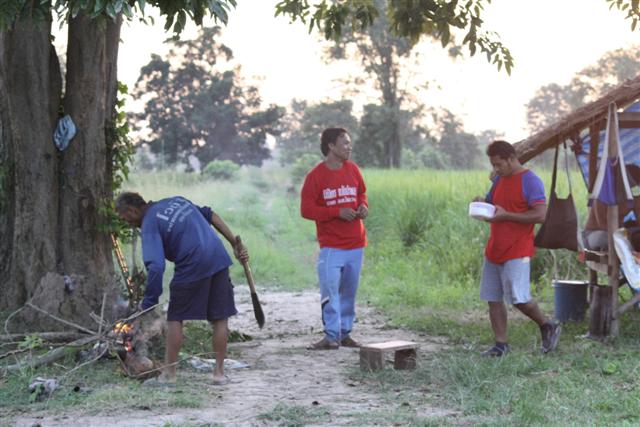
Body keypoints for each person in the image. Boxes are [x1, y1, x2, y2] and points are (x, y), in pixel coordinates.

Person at [115, 192, 248, 385]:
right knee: (220, 317)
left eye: (124, 218)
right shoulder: (176, 201)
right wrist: (234, 244)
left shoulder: (149, 223)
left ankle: (169, 374)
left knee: (175, 317)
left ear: (132, 210)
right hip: (218, 257)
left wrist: (149, 302)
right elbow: (211, 215)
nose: (127, 223)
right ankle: (219, 374)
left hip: (192, 262)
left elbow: (156, 266)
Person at [474, 140, 561, 356]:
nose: (495, 169)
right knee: (493, 298)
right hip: (495, 248)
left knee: (518, 298)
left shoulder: (531, 181)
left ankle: (547, 324)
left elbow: (540, 216)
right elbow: (494, 209)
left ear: (511, 158)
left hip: (518, 248)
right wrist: (480, 205)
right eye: (493, 165)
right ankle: (500, 345)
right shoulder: (498, 181)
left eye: (498, 164)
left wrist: (507, 216)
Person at [301, 127, 368, 350]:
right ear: (331, 146)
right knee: (330, 291)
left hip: (356, 243)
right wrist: (336, 212)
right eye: (345, 143)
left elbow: (361, 193)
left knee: (349, 292)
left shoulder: (354, 170)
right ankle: (331, 335)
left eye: (349, 143)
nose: (349, 147)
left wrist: (363, 206)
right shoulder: (315, 176)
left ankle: (345, 333)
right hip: (332, 246)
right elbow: (307, 209)